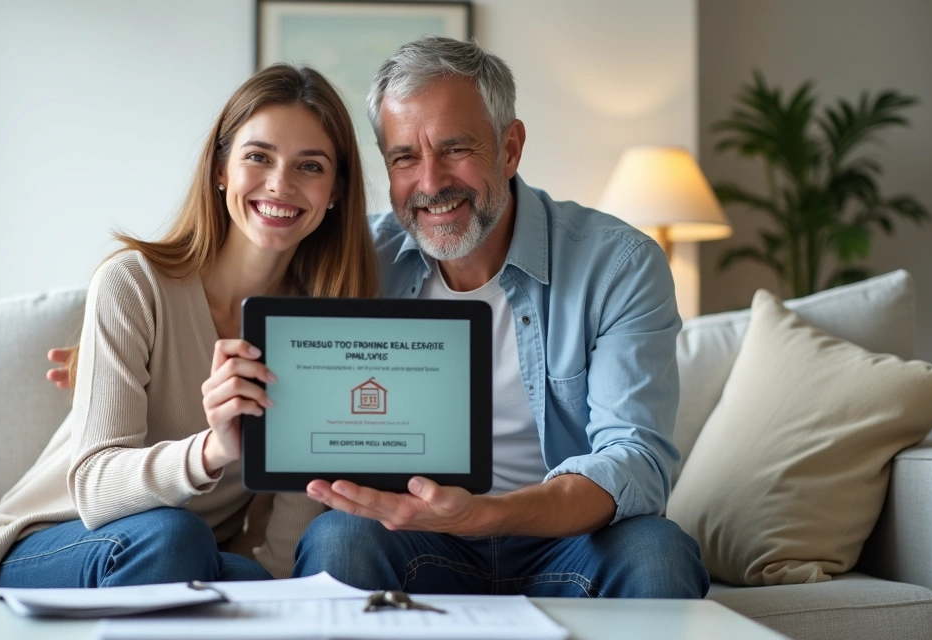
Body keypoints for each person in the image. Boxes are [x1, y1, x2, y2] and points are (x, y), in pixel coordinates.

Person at [47, 37, 710, 599]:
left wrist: (484, 514)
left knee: (659, 554)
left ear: (510, 149)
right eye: (403, 158)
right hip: (412, 534)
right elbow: (248, 302)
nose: (430, 182)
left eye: (456, 149)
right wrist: (118, 359)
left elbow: (636, 461)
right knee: (339, 537)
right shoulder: (358, 258)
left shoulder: (618, 263)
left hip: (567, 538)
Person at [0, 64, 378, 589]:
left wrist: (270, 600)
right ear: (221, 169)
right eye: (258, 157)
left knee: (244, 574)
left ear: (336, 189)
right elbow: (91, 487)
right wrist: (214, 449)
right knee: (175, 538)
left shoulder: (319, 326)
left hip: (189, 552)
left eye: (310, 166)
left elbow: (290, 524)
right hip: (54, 541)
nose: (280, 184)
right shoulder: (133, 284)